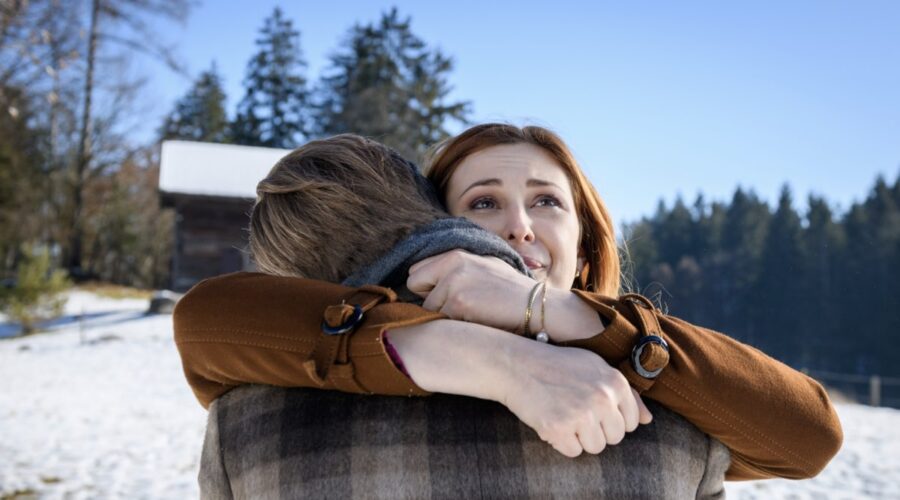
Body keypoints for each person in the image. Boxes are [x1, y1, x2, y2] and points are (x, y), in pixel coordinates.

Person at [174, 125, 841, 490]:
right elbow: (206, 319)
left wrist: (558, 314)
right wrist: (477, 352)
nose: (520, 226)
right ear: (428, 228)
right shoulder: (674, 426)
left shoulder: (661, 395)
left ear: (585, 250)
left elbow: (809, 436)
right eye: (483, 203)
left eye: (547, 201)